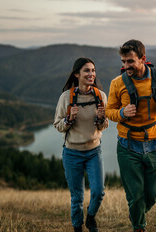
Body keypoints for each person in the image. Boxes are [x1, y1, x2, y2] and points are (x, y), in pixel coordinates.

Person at [105, 39, 156, 232]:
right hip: (127, 146)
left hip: (155, 144)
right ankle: (138, 225)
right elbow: (109, 111)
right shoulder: (117, 83)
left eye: (130, 61)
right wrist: (123, 113)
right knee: (135, 195)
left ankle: (136, 212)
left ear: (143, 59)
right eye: (123, 62)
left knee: (152, 195)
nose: (126, 66)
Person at [54, 57, 108, 232]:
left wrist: (101, 118)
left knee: (99, 192)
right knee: (77, 198)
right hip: (72, 153)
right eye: (87, 70)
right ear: (77, 74)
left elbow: (103, 125)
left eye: (93, 70)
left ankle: (90, 217)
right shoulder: (66, 97)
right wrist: (69, 119)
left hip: (94, 151)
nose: (91, 74)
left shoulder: (101, 96)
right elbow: (58, 125)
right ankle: (78, 228)